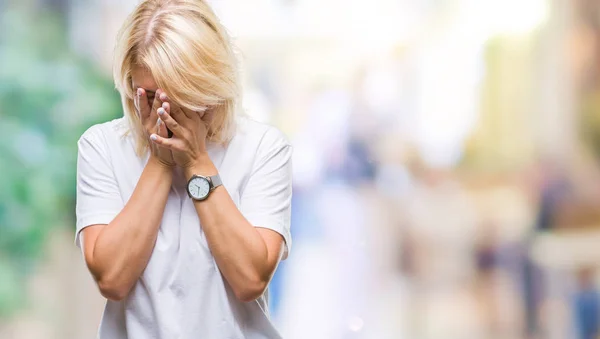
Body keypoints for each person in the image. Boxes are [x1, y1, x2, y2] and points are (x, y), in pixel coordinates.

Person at [74, 1, 292, 338]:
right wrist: (161, 160)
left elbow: (250, 279)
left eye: (180, 98)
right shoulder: (101, 146)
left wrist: (196, 162)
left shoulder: (262, 148)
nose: (164, 112)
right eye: (148, 95)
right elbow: (111, 279)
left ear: (210, 85)